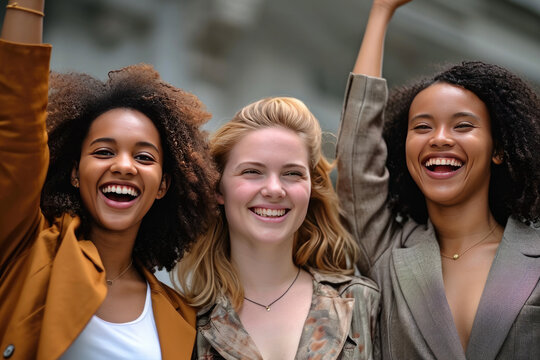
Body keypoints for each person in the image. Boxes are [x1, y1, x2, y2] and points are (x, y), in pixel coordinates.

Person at [0, 1, 218, 359]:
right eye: (103, 152)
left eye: (144, 157)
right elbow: (16, 124)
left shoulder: (183, 317)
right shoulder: (28, 248)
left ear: (164, 185)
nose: (124, 166)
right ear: (74, 171)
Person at [336, 0, 540, 359]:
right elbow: (357, 157)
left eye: (463, 125)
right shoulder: (388, 253)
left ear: (499, 149)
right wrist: (381, 11)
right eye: (423, 127)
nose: (440, 138)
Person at [174, 97, 380, 359]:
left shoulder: (360, 303)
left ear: (310, 189)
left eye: (292, 173)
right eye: (252, 171)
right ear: (218, 188)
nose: (274, 189)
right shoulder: (184, 322)